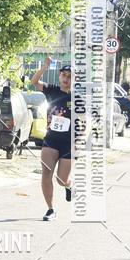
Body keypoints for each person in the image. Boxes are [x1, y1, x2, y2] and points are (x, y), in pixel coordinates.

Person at [31, 57, 73, 221]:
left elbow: (86, 119)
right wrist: (44, 67)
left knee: (62, 179)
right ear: (59, 76)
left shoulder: (78, 97)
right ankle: (50, 209)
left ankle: (69, 186)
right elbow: (34, 82)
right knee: (46, 174)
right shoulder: (52, 90)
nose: (66, 78)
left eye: (69, 76)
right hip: (51, 139)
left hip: (69, 142)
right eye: (63, 75)